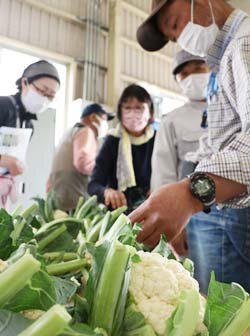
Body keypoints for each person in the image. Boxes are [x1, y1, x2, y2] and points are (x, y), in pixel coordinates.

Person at [129, 0, 250, 293]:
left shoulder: (244, 45)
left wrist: (190, 193)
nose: (182, 38)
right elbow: (220, 138)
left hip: (230, 212)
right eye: (174, 37)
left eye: (175, 23)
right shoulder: (223, 60)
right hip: (219, 208)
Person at [151, 49, 209, 256]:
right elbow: (163, 173)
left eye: (198, 68)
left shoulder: (234, 111)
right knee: (205, 283)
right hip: (193, 218)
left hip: (240, 213)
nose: (192, 76)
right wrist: (174, 227)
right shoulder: (172, 120)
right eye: (184, 74)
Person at [0, 60, 60, 207]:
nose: (45, 98)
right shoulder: (2, 106)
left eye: (51, 95)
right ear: (24, 83)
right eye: (42, 91)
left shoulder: (29, 124)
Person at [88, 84, 156, 213]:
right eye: (127, 108)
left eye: (139, 108)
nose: (133, 114)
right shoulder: (112, 140)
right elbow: (93, 185)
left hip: (152, 212)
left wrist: (158, 188)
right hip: (119, 216)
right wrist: (107, 192)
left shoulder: (158, 140)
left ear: (150, 112)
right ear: (120, 111)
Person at [48, 103, 111, 211]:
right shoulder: (86, 131)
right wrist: (103, 172)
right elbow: (82, 161)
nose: (106, 124)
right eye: (104, 119)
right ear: (93, 117)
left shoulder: (69, 132)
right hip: (74, 199)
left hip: (58, 197)